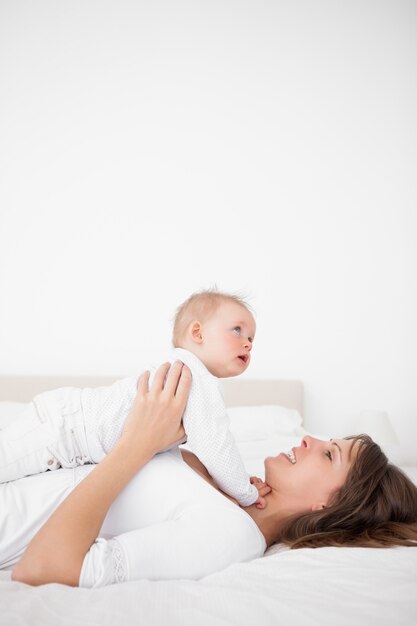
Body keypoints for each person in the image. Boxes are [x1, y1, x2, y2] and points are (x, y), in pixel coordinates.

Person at [6, 362, 417, 588]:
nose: (309, 440)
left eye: (329, 455)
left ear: (330, 504)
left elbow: (44, 569)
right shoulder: (228, 485)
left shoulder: (231, 537)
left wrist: (136, 445)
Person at [0, 289, 265, 508]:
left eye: (252, 338)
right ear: (198, 334)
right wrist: (245, 493)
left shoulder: (189, 373)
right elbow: (216, 445)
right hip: (63, 430)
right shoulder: (197, 378)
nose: (248, 343)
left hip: (66, 429)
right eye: (237, 331)